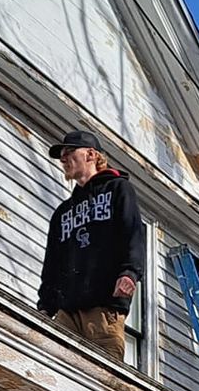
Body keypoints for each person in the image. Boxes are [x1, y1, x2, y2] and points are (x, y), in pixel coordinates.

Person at [37, 129, 145, 365]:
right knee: (53, 367)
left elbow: (133, 234)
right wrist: (46, 305)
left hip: (103, 307)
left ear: (91, 154)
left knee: (104, 377)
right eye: (61, 155)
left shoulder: (118, 190)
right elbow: (52, 262)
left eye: (68, 152)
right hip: (67, 312)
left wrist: (130, 273)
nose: (63, 158)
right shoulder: (63, 213)